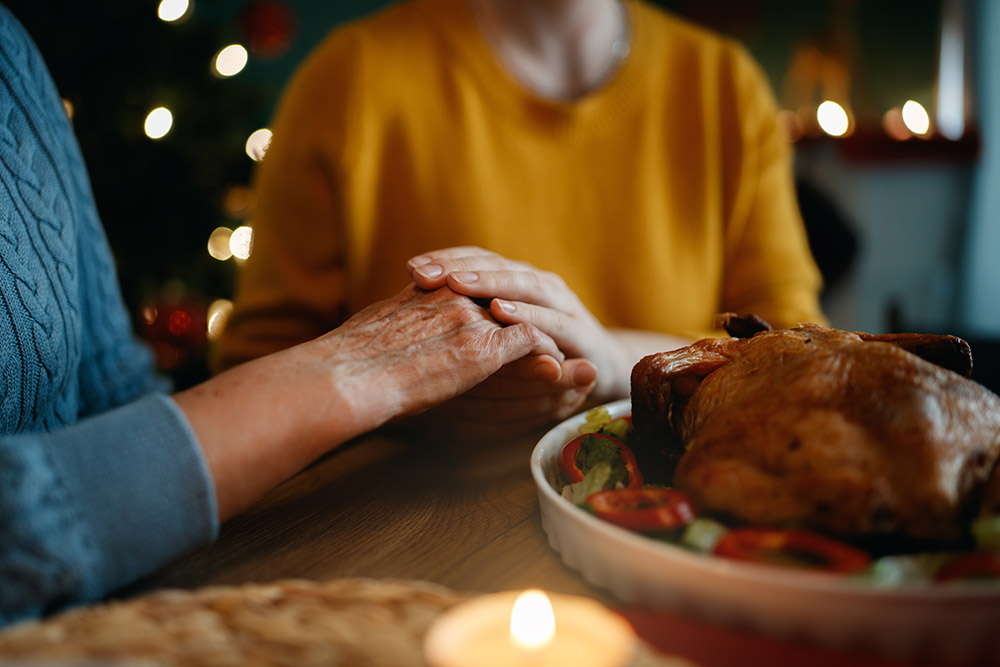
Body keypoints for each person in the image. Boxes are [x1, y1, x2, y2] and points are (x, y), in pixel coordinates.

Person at [0, 5, 562, 627]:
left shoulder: (10, 51)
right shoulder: (357, 70)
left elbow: (113, 389)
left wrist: (599, 355)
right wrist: (349, 371)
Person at [216, 0, 826, 435]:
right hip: (397, 537)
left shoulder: (725, 86)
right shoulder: (349, 79)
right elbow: (258, 374)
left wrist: (614, 361)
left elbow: (803, 359)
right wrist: (410, 392)